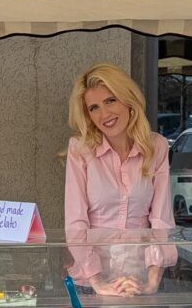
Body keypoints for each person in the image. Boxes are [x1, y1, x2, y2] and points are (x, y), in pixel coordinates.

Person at [64, 63, 177, 296]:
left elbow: (161, 220)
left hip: (141, 280)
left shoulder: (156, 147)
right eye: (94, 108)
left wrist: (152, 282)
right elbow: (75, 223)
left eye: (110, 101)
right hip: (91, 283)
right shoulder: (80, 150)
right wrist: (98, 283)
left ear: (128, 100)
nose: (104, 114)